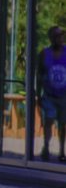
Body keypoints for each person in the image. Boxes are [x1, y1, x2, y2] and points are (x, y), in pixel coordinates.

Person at [37, 25, 66, 162]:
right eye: (57, 35)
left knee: (63, 123)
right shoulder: (44, 54)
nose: (60, 38)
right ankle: (46, 147)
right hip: (49, 95)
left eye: (61, 35)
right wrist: (38, 95)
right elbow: (39, 75)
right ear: (51, 38)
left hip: (64, 96)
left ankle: (61, 150)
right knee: (49, 120)